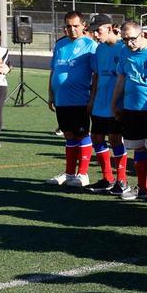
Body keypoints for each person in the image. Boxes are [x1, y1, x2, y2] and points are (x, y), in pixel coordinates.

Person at [112, 20, 147, 200]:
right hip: (130, 108)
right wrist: (114, 102)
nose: (128, 43)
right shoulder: (124, 51)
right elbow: (121, 78)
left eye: (132, 39)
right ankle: (142, 188)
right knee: (138, 148)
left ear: (142, 35)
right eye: (124, 39)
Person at [47, 11, 98, 186]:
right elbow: (54, 71)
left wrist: (92, 99)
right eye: (68, 26)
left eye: (76, 26)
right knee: (69, 136)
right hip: (61, 99)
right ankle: (69, 174)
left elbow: (96, 75)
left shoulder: (90, 45)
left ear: (84, 26)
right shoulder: (60, 45)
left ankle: (83, 174)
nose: (72, 29)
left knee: (82, 134)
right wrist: (50, 94)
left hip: (80, 99)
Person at [84, 16, 128, 195]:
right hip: (99, 103)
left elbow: (126, 77)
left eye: (98, 30)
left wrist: (121, 103)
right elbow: (96, 76)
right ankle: (108, 178)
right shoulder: (99, 49)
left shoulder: (124, 48)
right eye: (93, 30)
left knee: (116, 139)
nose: (95, 34)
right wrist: (92, 99)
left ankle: (122, 181)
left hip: (116, 104)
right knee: (96, 137)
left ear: (109, 28)